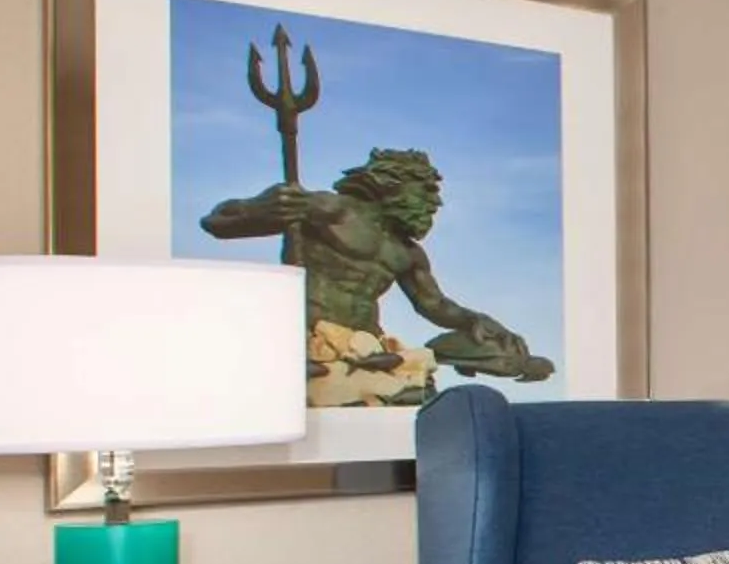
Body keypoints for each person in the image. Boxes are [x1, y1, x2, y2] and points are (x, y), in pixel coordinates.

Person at [199, 147, 554, 407]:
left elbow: (433, 304)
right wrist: (263, 208)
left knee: (468, 353)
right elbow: (220, 222)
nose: (435, 203)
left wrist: (476, 319)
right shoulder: (333, 210)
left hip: (367, 344)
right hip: (312, 338)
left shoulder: (407, 251)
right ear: (391, 185)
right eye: (427, 191)